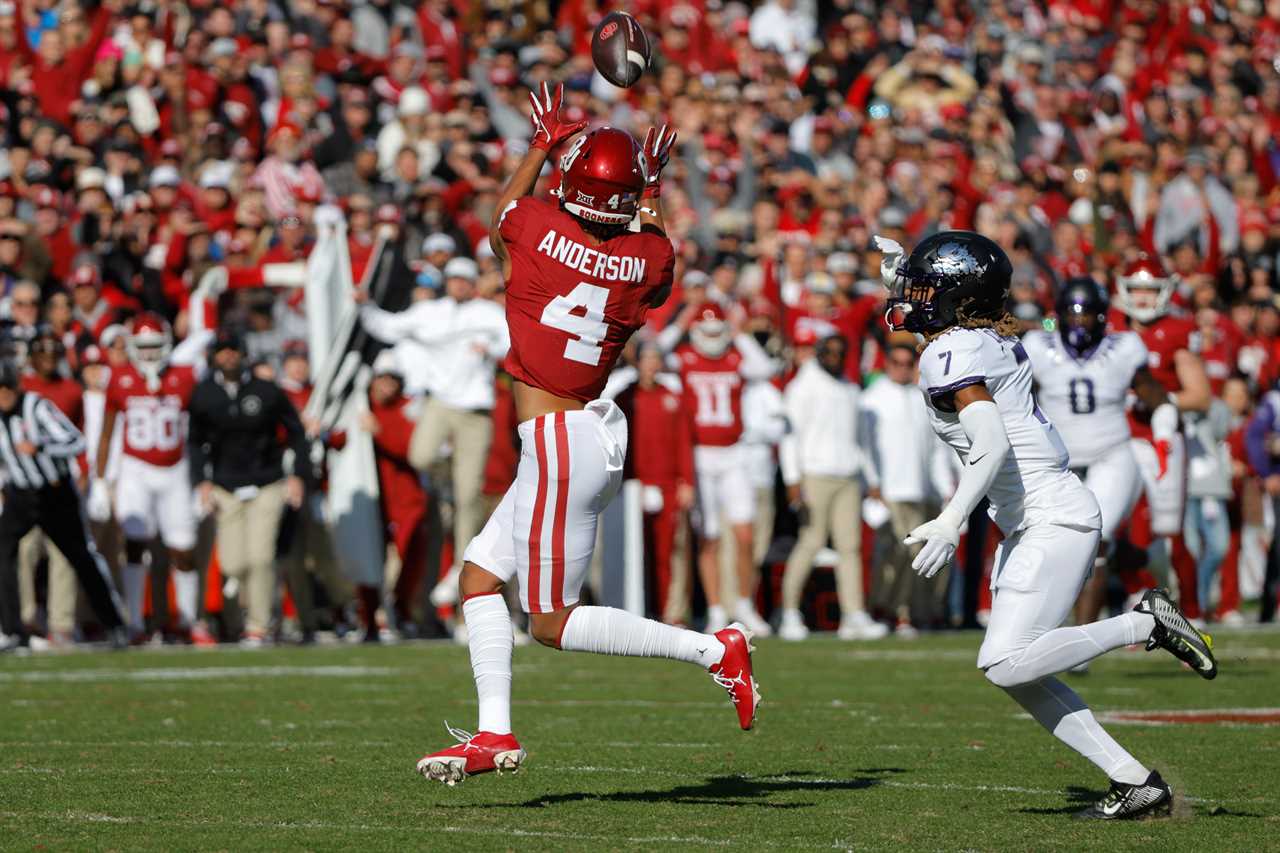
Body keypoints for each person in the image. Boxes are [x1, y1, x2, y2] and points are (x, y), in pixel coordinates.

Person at [416, 85, 759, 786]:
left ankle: (714, 649)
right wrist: (654, 187)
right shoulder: (644, 259)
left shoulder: (540, 225)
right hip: (577, 430)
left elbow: (500, 216)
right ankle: (492, 731)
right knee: (479, 578)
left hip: (559, 439)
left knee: (550, 623)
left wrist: (542, 141)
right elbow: (659, 258)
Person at [885, 230, 1217, 819]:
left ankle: (1141, 624)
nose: (914, 296)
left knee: (1006, 661)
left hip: (1050, 516)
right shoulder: (977, 335)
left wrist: (951, 519)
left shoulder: (952, 351)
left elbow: (987, 442)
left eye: (924, 286)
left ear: (958, 298)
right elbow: (941, 327)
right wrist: (899, 278)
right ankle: (1135, 782)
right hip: (1039, 515)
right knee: (1014, 671)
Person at [358, 253, 510, 612]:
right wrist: (365, 306)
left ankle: (461, 561)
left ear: (473, 284)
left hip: (475, 408)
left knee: (470, 493)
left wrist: (490, 349)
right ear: (448, 283)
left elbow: (512, 341)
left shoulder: (487, 315)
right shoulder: (429, 313)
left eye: (464, 279)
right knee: (420, 454)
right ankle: (445, 479)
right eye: (454, 279)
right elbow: (387, 326)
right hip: (441, 403)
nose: (459, 284)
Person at [1022, 279, 1169, 632]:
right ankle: (1143, 560)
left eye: (1086, 314)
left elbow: (1154, 393)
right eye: (1072, 314)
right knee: (1049, 542)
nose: (1079, 322)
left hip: (1110, 455)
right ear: (1057, 316)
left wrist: (1164, 433)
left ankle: (1079, 644)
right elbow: (1020, 398)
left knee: (1096, 542)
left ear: (1102, 317)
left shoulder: (1125, 346)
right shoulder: (1037, 345)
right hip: (1057, 463)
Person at [88, 314, 210, 644]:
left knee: (183, 548)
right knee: (134, 544)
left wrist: (202, 479)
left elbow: (201, 429)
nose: (150, 354)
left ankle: (188, 620)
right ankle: (134, 623)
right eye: (143, 347)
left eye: (156, 346)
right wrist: (99, 481)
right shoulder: (119, 377)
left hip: (175, 468)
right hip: (135, 469)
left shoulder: (185, 376)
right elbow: (105, 433)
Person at [187, 331, 307, 647]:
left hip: (267, 482)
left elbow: (297, 433)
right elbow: (195, 442)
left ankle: (258, 625)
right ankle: (252, 609)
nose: (228, 356)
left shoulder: (266, 391)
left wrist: (297, 475)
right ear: (214, 356)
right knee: (232, 562)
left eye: (233, 350)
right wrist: (201, 480)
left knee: (261, 557)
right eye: (222, 351)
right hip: (226, 486)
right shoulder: (203, 394)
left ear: (243, 354)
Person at [1110, 256, 1213, 620]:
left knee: (1169, 530)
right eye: (1135, 289)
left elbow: (1200, 394)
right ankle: (1140, 600)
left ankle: (1193, 610)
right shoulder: (1111, 327)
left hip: (1160, 441)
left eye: (1149, 290)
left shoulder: (1176, 330)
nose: (1141, 297)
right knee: (1117, 528)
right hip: (1117, 442)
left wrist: (1155, 400)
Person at [0, 360, 126, 651]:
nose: (2, 396)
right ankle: (12, 630)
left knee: (80, 556)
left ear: (15, 388)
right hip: (20, 495)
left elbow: (76, 442)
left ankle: (115, 624)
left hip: (54, 494)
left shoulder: (37, 408)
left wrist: (41, 446)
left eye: (6, 389)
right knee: (3, 552)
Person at [674, 302, 777, 634]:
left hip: (734, 454)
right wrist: (681, 321)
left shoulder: (736, 357)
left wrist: (740, 333)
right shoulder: (684, 359)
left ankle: (743, 604)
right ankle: (717, 609)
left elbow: (766, 368)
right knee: (710, 538)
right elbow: (656, 351)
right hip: (701, 456)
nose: (714, 339)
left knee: (745, 534)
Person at [778, 333, 886, 641]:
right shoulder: (802, 387)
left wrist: (873, 479)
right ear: (819, 354)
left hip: (848, 476)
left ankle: (853, 615)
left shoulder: (851, 388)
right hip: (814, 474)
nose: (835, 358)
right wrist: (792, 479)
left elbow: (862, 440)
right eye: (830, 353)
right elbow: (790, 436)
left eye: (841, 353)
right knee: (810, 543)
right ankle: (788, 613)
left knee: (849, 547)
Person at [861, 341, 952, 635]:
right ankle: (897, 611)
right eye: (896, 363)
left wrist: (944, 486)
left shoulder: (922, 398)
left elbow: (936, 447)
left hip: (924, 491)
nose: (902, 369)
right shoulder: (873, 399)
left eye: (907, 364)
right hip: (893, 492)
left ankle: (922, 611)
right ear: (886, 365)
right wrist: (873, 483)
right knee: (903, 557)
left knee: (929, 557)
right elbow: (865, 447)